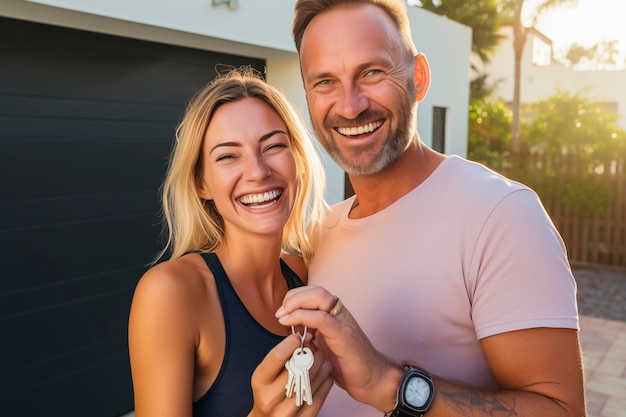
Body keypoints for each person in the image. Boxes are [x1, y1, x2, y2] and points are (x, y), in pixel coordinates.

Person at [275, 1, 587, 416]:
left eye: (371, 72)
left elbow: (562, 410)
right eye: (325, 82)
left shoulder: (501, 216)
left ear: (417, 78)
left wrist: (389, 384)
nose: (350, 106)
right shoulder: (318, 235)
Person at [128, 66, 333, 417]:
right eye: (227, 156)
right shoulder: (171, 293)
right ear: (201, 184)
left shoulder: (306, 272)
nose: (257, 171)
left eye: (273, 146)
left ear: (298, 160)